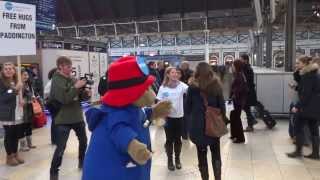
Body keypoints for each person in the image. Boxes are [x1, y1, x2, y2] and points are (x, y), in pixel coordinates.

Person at [82, 56, 172, 180]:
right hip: (114, 171)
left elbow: (138, 116)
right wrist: (132, 145)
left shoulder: (131, 107)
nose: (152, 94)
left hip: (130, 167)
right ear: (128, 93)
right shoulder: (114, 114)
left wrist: (153, 112)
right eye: (145, 89)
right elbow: (119, 131)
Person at [49, 57, 90, 180]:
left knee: (83, 141)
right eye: (67, 66)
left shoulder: (72, 79)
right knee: (61, 146)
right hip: (63, 118)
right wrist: (76, 87)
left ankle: (82, 162)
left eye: (71, 66)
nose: (70, 68)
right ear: (60, 67)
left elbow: (80, 96)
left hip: (77, 116)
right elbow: (64, 99)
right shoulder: (56, 80)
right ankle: (54, 171)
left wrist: (86, 94)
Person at [186, 62, 225, 180]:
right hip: (213, 125)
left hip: (198, 126)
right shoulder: (217, 85)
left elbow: (187, 108)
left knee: (201, 154)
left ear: (197, 72)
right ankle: (218, 178)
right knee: (216, 152)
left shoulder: (192, 88)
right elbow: (222, 107)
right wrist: (221, 120)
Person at [287, 56, 320, 160]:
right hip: (315, 107)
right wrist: (296, 87)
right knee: (314, 130)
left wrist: (297, 106)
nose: (296, 65)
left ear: (305, 64)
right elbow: (308, 89)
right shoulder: (314, 74)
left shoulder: (307, 76)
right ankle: (315, 153)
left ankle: (298, 151)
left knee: (298, 126)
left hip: (307, 107)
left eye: (298, 63)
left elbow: (306, 94)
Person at [157, 67, 188, 171]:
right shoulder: (163, 87)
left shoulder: (182, 86)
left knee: (178, 140)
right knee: (169, 140)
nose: (175, 74)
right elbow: (158, 102)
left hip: (179, 117)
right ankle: (170, 160)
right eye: (173, 73)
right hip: (168, 118)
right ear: (168, 75)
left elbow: (191, 91)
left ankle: (177, 159)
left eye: (176, 73)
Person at [0, 62, 25, 166]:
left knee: (16, 135)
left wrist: (21, 99)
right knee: (9, 135)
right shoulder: (1, 82)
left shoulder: (16, 81)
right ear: (2, 71)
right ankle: (9, 156)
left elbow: (17, 96)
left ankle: (15, 154)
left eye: (11, 68)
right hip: (7, 113)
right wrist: (14, 90)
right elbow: (3, 98)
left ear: (14, 71)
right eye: (6, 69)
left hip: (17, 112)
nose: (8, 70)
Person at [229, 60, 248, 144]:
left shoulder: (240, 76)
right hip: (236, 100)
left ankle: (240, 138)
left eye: (233, 65)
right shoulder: (237, 75)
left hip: (238, 100)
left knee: (236, 118)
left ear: (236, 66)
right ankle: (234, 134)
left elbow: (241, 88)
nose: (231, 67)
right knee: (233, 116)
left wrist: (234, 93)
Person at [19, 69, 36, 152]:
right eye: (24, 75)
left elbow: (31, 94)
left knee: (29, 126)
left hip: (29, 108)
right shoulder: (19, 85)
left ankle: (30, 143)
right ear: (20, 75)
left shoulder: (28, 84)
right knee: (22, 126)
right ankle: (23, 145)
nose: (26, 76)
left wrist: (33, 98)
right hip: (22, 109)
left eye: (27, 75)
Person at [240, 54, 258, 132]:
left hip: (247, 92)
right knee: (246, 108)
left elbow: (245, 81)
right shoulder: (248, 68)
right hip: (249, 91)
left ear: (245, 60)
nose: (240, 61)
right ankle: (252, 121)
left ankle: (250, 125)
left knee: (245, 107)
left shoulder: (245, 69)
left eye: (241, 59)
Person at [44, 68, 58, 145]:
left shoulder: (53, 82)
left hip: (53, 103)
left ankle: (55, 139)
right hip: (52, 104)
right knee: (55, 121)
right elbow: (47, 94)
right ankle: (54, 140)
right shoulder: (52, 82)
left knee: (55, 121)